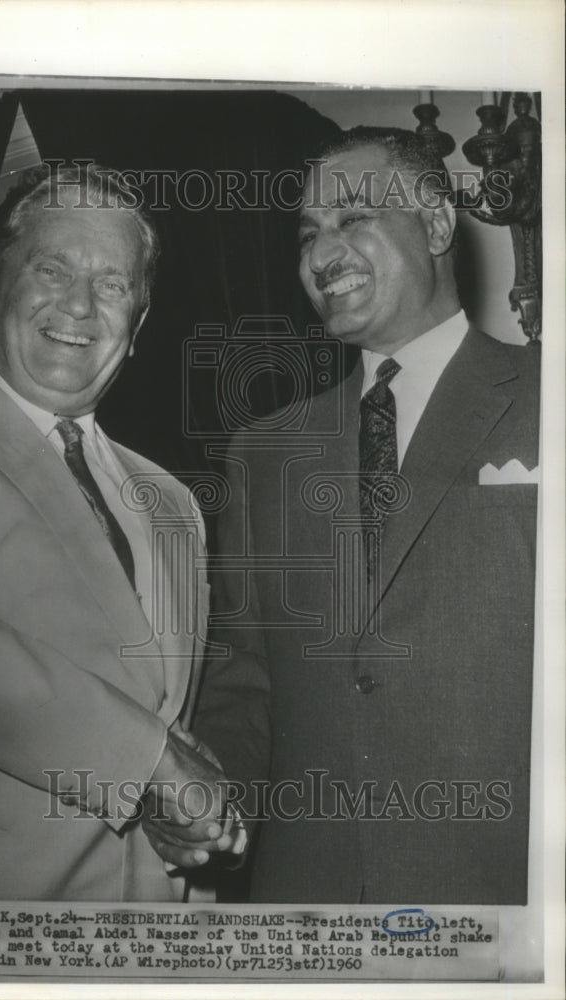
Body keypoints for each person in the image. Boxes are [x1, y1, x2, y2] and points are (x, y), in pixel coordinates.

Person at [194, 127, 540, 904]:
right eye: (308, 234)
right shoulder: (263, 452)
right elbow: (240, 682)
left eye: (353, 219)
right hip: (308, 901)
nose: (323, 256)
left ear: (438, 225)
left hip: (508, 896)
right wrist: (208, 799)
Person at [0, 163, 235, 902]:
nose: (80, 304)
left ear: (135, 324)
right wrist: (153, 765)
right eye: (52, 269)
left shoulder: (172, 502)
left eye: (112, 284)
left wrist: (199, 819)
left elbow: (174, 708)